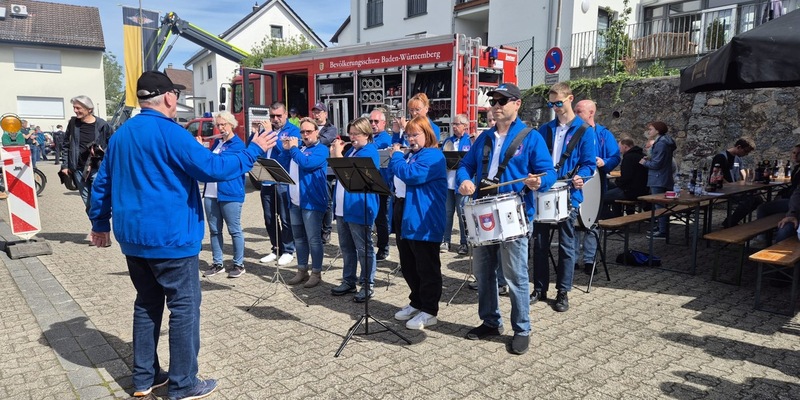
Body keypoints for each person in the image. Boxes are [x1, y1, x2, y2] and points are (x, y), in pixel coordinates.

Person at [88, 70, 278, 400]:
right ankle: (183, 383)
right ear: (169, 97)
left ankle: (144, 378)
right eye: (176, 95)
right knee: (184, 309)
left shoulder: (121, 135)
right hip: (172, 239)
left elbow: (102, 182)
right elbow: (214, 169)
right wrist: (253, 150)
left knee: (146, 305)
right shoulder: (172, 133)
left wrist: (100, 223)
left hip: (133, 240)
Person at [457, 83, 557, 355]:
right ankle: (491, 322)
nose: (497, 105)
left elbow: (549, 173)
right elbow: (465, 165)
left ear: (517, 104)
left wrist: (539, 181)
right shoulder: (484, 137)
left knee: (515, 276)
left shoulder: (531, 137)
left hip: (513, 212)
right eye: (494, 101)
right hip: (484, 211)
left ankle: (522, 329)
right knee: (484, 273)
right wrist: (464, 180)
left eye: (503, 101)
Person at [531, 82, 596, 313]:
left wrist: (581, 177)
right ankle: (539, 288)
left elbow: (589, 164)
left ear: (570, 99)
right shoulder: (545, 129)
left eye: (558, 103)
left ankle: (563, 292)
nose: (555, 107)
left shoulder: (585, 130)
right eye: (551, 104)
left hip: (569, 193)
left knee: (566, 245)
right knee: (539, 244)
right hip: (544, 191)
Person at [390, 116, 447, 331]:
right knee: (408, 263)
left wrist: (396, 156)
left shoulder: (433, 155)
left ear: (427, 134)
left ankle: (429, 310)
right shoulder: (411, 155)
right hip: (405, 211)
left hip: (424, 218)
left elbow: (411, 175)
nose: (411, 139)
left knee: (426, 265)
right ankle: (417, 302)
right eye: (408, 135)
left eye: (415, 135)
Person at [330, 117, 381, 301]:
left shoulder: (369, 152)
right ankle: (349, 280)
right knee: (346, 247)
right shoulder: (353, 150)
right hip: (343, 208)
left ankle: (367, 285)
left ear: (366, 134)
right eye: (350, 134)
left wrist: (337, 155)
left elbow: (348, 174)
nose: (352, 137)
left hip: (359, 207)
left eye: (356, 134)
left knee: (364, 248)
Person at [575, 100, 620, 275]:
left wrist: (604, 162)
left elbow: (615, 157)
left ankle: (589, 261)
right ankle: (572, 260)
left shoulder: (603, 134)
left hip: (596, 185)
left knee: (592, 224)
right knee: (573, 224)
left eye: (579, 111)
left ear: (591, 113)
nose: (575, 114)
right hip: (575, 184)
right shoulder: (571, 132)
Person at [200, 111, 247, 279]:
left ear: (231, 125)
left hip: (230, 192)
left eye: (223, 124)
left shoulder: (237, 145)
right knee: (214, 230)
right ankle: (217, 263)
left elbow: (219, 163)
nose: (220, 128)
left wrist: (201, 150)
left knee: (234, 230)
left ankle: (239, 264)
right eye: (218, 125)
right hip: (211, 192)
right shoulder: (217, 143)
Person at [285, 118, 329, 288]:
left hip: (311, 202)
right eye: (302, 132)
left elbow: (307, 164)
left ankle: (316, 272)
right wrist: (286, 148)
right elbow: (283, 163)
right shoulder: (299, 149)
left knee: (314, 239)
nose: (305, 135)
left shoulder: (321, 150)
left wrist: (293, 149)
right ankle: (301, 269)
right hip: (295, 201)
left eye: (308, 131)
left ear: (317, 132)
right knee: (299, 238)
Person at [61, 95, 114, 219]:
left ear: (89, 109)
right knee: (88, 203)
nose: (75, 110)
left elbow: (113, 144)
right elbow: (66, 145)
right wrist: (65, 165)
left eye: (78, 108)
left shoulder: (102, 124)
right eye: (74, 107)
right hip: (78, 169)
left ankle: (102, 227)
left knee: (98, 200)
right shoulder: (73, 123)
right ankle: (97, 228)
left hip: (97, 168)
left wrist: (103, 151)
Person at [257, 102, 297, 267]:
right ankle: (276, 248)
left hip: (283, 180)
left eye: (279, 116)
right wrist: (257, 134)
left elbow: (284, 150)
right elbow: (254, 148)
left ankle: (288, 250)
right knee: (269, 218)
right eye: (272, 116)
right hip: (266, 179)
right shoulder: (266, 130)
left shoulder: (293, 131)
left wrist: (269, 133)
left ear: (285, 115)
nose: (275, 119)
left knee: (285, 218)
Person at [710, 137, 759, 228]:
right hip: (721, 189)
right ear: (739, 147)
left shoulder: (738, 158)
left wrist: (746, 182)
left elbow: (742, 172)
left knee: (757, 198)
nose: (746, 154)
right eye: (745, 151)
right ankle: (730, 223)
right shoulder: (721, 157)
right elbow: (716, 176)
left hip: (733, 189)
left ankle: (731, 220)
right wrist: (733, 186)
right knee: (749, 199)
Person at [441, 113, 472, 255]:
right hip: (448, 183)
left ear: (465, 126)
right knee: (447, 213)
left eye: (457, 124)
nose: (454, 126)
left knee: (462, 214)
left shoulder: (470, 141)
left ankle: (464, 243)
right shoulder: (448, 141)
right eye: (453, 124)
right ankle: (445, 241)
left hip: (461, 185)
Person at [639, 121, 677, 239]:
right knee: (662, 205)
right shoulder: (667, 142)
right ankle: (661, 227)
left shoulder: (661, 143)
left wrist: (645, 162)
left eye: (651, 129)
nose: (649, 131)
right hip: (664, 177)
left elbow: (657, 164)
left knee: (659, 205)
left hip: (658, 178)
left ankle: (662, 230)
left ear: (657, 130)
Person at [603, 137, 649, 217]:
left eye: (620, 147)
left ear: (625, 146)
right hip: (642, 189)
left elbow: (626, 177)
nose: (619, 150)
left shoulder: (628, 158)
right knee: (614, 193)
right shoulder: (642, 156)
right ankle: (618, 216)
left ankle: (611, 218)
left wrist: (618, 182)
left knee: (602, 198)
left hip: (630, 191)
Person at [312, 101, 337, 244]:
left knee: (327, 201)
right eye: (314, 112)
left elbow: (323, 141)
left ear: (325, 114)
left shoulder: (331, 129)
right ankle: (316, 228)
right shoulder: (312, 127)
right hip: (314, 168)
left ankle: (327, 230)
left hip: (326, 170)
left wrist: (309, 136)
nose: (316, 115)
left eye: (319, 112)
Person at [370, 108, 394, 261]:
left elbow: (372, 149)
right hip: (370, 182)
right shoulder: (371, 138)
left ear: (384, 123)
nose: (373, 124)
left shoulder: (386, 139)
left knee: (381, 218)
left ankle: (384, 248)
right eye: (371, 121)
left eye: (376, 121)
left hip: (383, 183)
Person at [757, 144, 800, 220]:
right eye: (794, 153)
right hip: (792, 198)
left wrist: (783, 195)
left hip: (795, 202)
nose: (795, 155)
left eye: (799, 153)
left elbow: (796, 190)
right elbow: (793, 186)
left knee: (762, 208)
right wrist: (781, 193)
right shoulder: (797, 168)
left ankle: (764, 227)